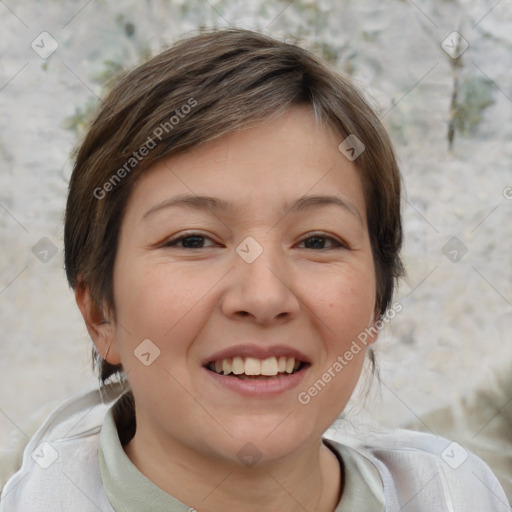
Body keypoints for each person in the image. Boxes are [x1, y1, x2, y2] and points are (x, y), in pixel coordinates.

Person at [0, 28, 508, 511]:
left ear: (378, 301)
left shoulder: (456, 495)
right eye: (193, 240)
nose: (263, 296)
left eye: (317, 240)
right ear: (99, 313)